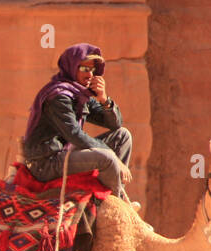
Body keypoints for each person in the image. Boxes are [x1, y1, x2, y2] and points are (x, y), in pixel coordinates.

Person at [21, 43, 134, 202]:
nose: (90, 75)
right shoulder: (59, 96)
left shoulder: (81, 95)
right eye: (84, 69)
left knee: (123, 135)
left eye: (92, 70)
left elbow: (115, 124)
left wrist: (103, 99)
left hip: (65, 152)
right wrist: (114, 158)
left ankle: (111, 191)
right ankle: (115, 202)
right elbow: (75, 134)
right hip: (47, 162)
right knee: (107, 158)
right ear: (71, 67)